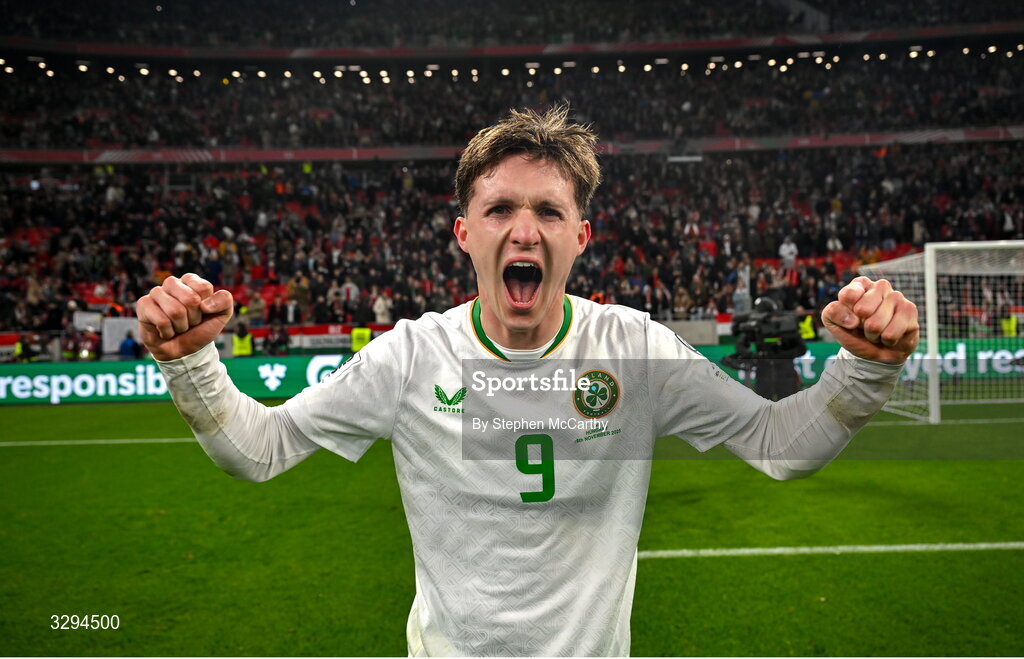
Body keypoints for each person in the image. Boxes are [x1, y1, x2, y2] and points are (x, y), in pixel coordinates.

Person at [136, 106, 919, 657]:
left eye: (548, 211)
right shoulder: (411, 356)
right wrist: (190, 361)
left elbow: (780, 444)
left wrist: (866, 371)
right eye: (499, 208)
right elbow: (261, 448)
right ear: (464, 232)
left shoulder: (633, 348)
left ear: (580, 235)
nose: (523, 229)